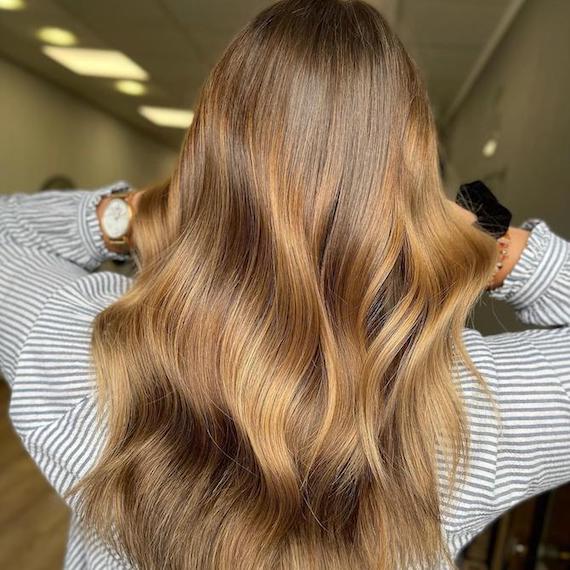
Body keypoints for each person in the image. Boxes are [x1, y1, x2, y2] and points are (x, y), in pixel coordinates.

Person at [0, 0, 568, 568]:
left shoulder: (90, 356)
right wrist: (487, 240)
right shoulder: (461, 415)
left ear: (207, 165)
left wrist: (141, 210)